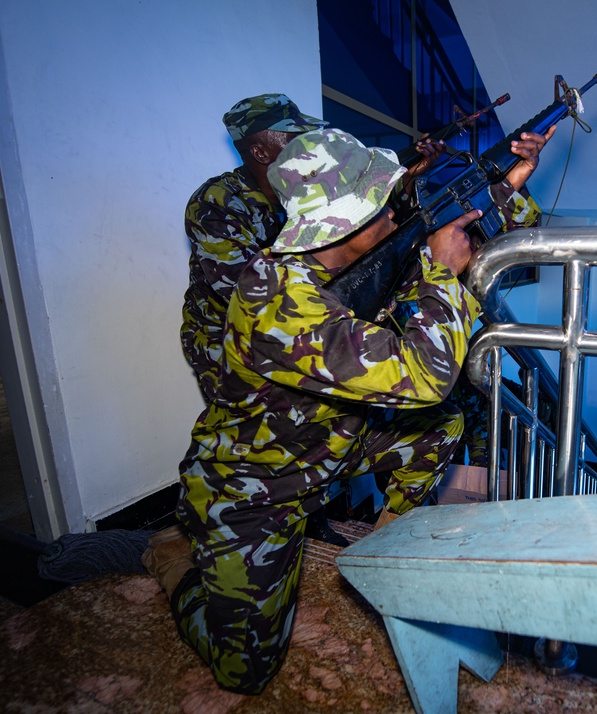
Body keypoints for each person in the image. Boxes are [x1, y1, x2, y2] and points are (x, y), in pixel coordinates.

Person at [145, 124, 554, 694]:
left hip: (333, 446)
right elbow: (424, 376)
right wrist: (440, 272)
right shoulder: (275, 304)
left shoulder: (360, 258)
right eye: (381, 203)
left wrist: (505, 189)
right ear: (341, 225)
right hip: (259, 488)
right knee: (244, 672)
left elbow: (474, 248)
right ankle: (173, 559)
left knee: (443, 427)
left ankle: (385, 547)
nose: (397, 209)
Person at [180, 93, 444, 544]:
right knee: (274, 442)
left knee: (333, 425)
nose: (307, 141)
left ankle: (326, 521)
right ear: (262, 149)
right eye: (293, 134)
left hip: (311, 326)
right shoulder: (218, 204)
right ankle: (241, 531)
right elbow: (243, 290)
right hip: (226, 338)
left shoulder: (317, 190)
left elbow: (348, 269)